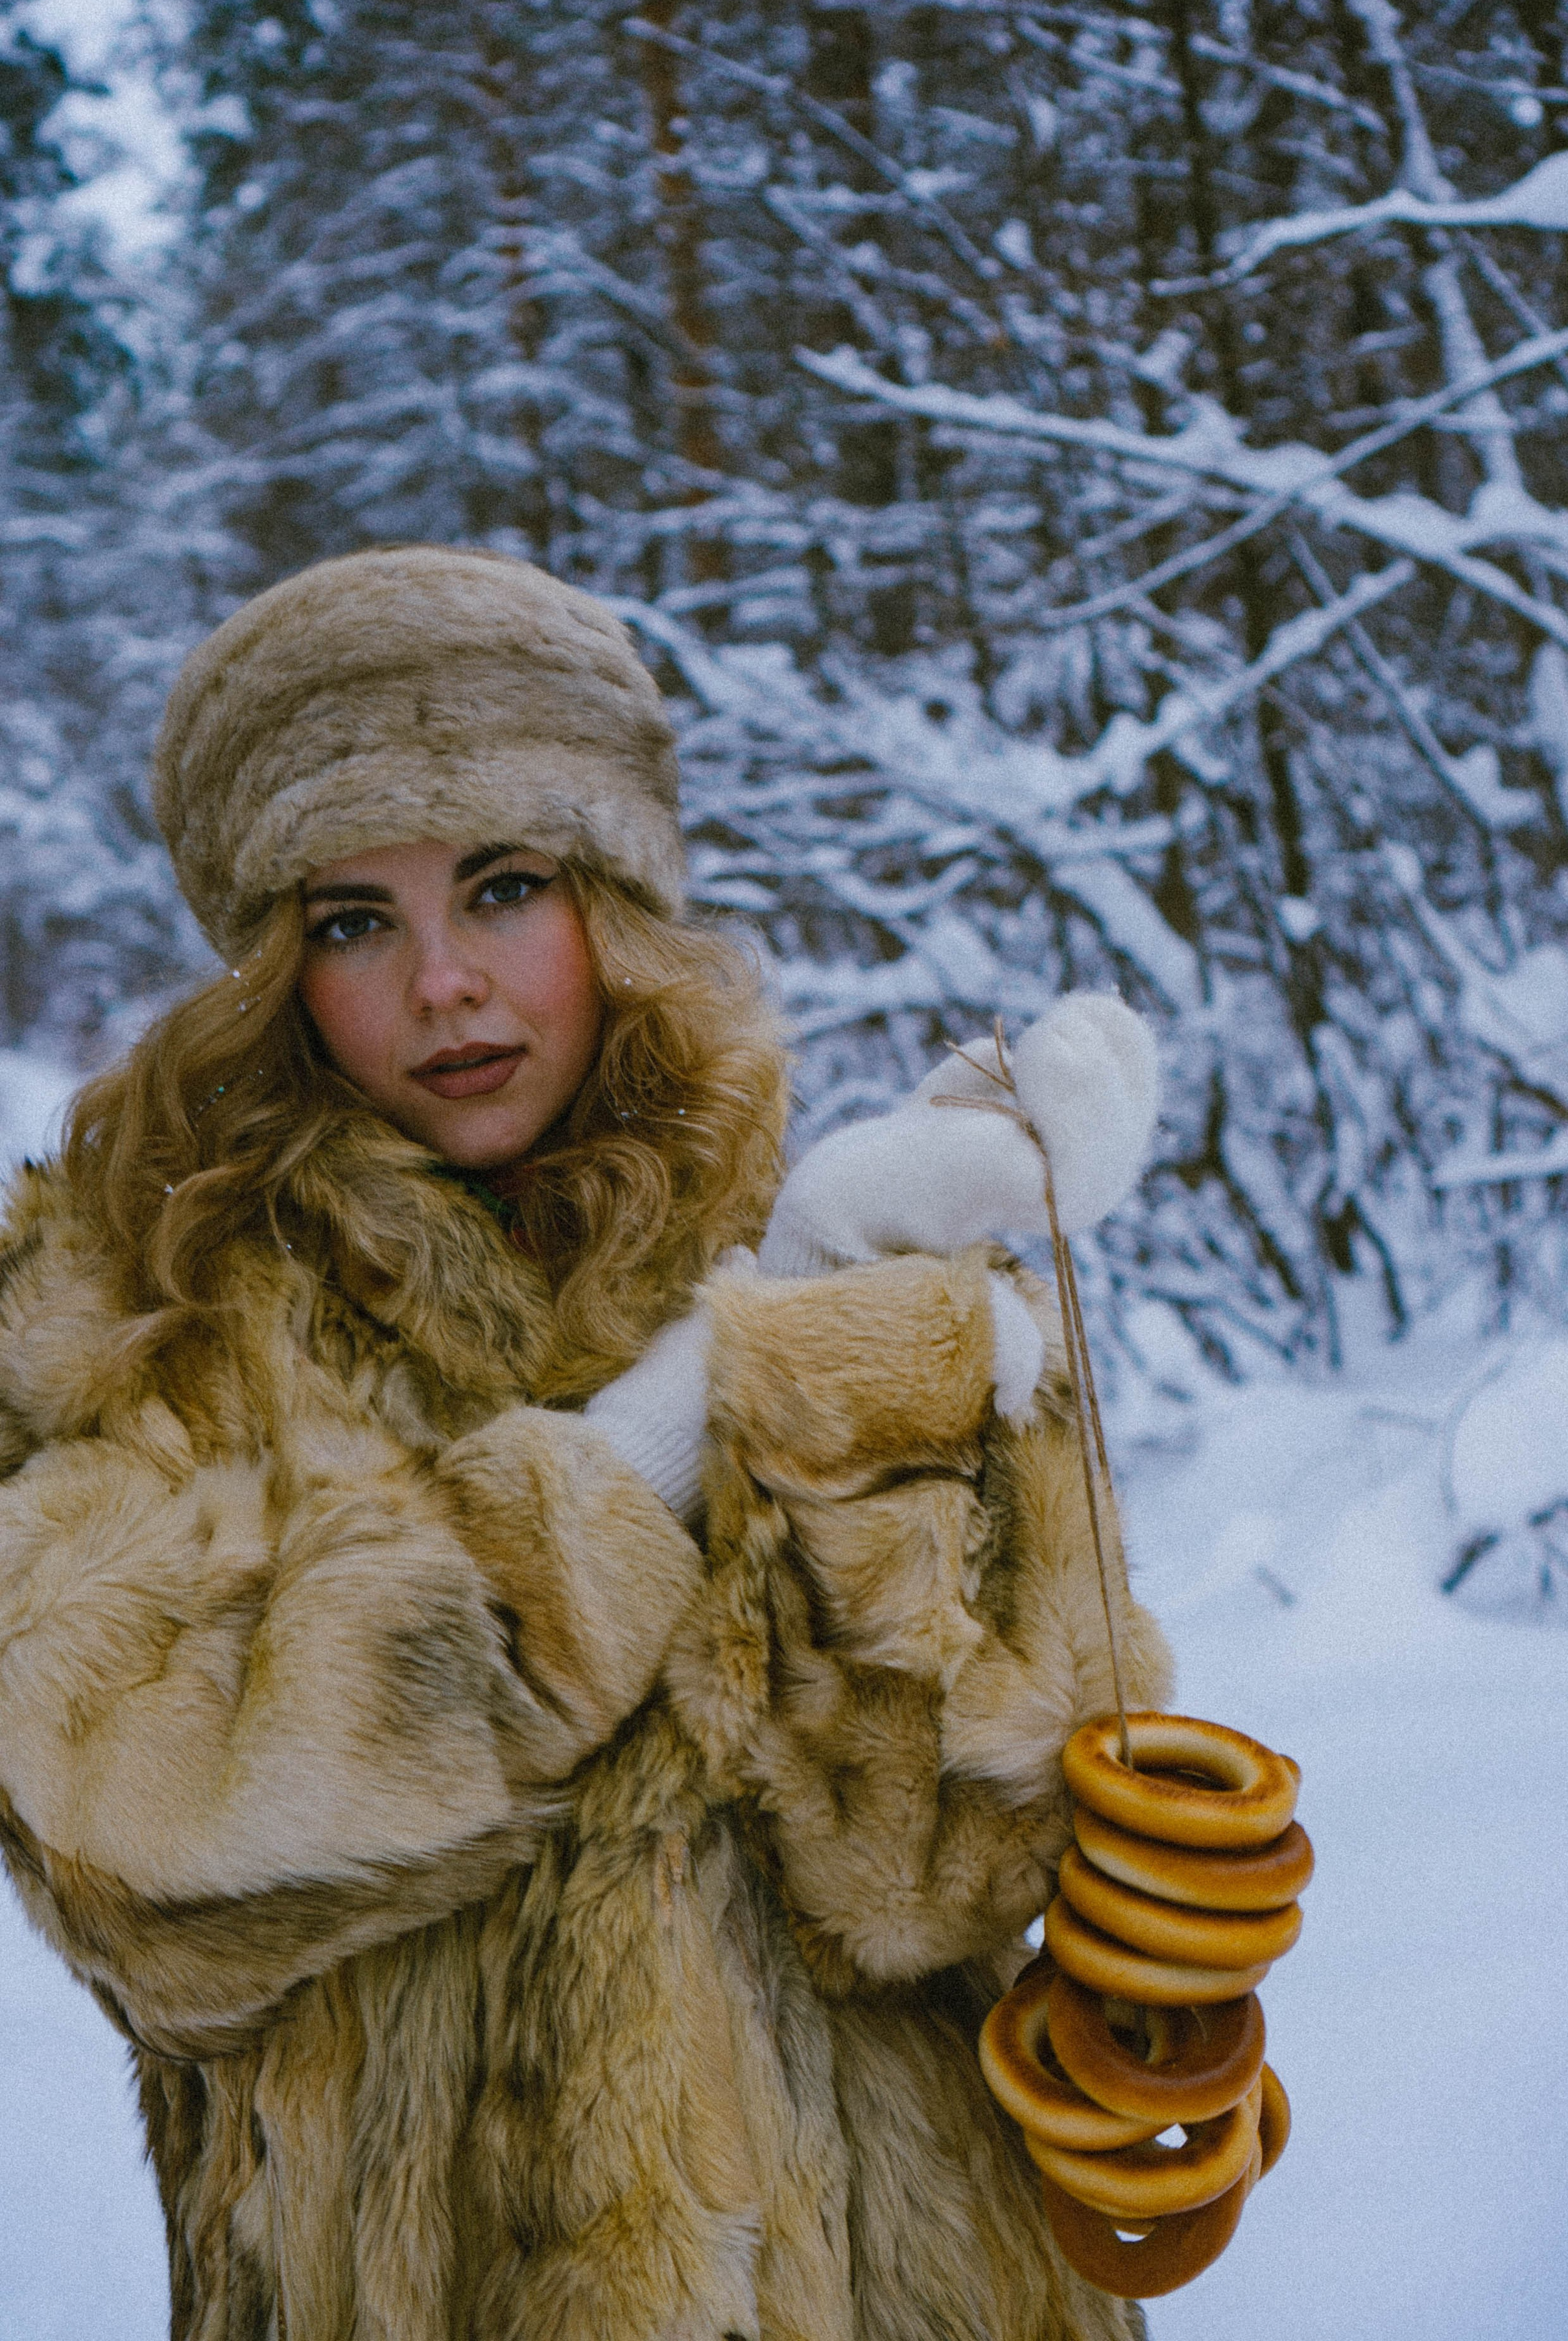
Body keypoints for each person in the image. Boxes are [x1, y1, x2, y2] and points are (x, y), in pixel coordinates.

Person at [0, 546, 1172, 2341]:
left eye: (503, 886)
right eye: (353, 921)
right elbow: (150, 1846)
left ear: (609, 896)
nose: (445, 985)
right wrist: (686, 1423)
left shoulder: (809, 1242)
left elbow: (949, 1879)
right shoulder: (140, 1319)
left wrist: (864, 1367)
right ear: (271, 965)